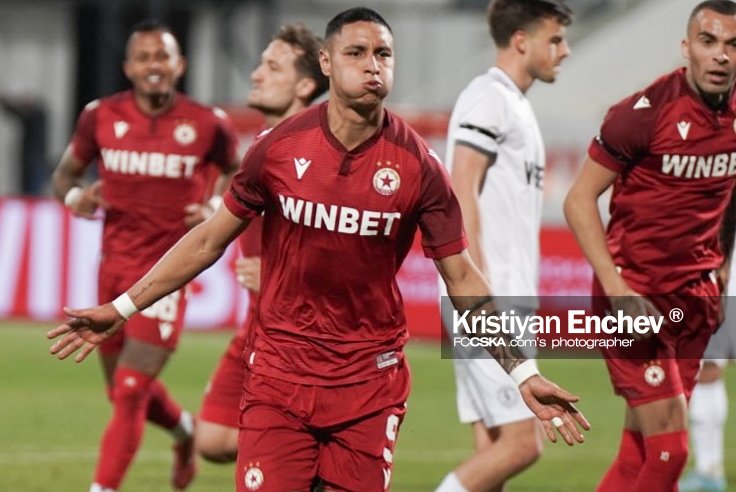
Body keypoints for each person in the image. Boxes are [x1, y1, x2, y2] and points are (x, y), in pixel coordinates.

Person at [48, 8, 589, 491]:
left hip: (368, 385)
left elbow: (464, 278)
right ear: (326, 63)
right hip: (279, 378)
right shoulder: (277, 149)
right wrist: (123, 308)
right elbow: (210, 239)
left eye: (384, 54)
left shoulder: (419, 167)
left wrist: (523, 373)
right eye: (357, 53)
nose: (373, 65)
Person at [50, 20, 239, 492]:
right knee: (121, 390)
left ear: (180, 65)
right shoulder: (99, 116)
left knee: (131, 390)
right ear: (129, 67)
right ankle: (185, 432)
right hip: (112, 268)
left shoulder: (208, 123)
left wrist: (215, 206)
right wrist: (75, 199)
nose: (154, 65)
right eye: (144, 57)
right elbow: (64, 175)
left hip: (166, 275)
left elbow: (238, 173)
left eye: (163, 56)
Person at [564, 1, 736, 491]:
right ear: (686, 48)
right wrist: (616, 288)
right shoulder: (642, 114)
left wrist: (722, 264)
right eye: (708, 41)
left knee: (638, 454)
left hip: (695, 296)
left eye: (733, 45)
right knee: (670, 450)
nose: (721, 55)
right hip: (635, 295)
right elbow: (579, 200)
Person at [436, 1, 573, 491]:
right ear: (521, 40)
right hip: (489, 299)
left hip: (495, 298)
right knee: (522, 443)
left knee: (493, 449)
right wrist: (481, 293)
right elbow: (462, 188)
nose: (564, 50)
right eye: (554, 39)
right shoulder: (489, 97)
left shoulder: (514, 104)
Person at [195, 22, 329, 464]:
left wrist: (281, 274)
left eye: (273, 67)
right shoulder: (262, 145)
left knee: (508, 442)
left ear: (305, 85)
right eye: (261, 64)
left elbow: (341, 245)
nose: (256, 74)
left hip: (302, 335)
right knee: (213, 440)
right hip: (258, 322)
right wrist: (214, 214)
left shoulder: (317, 150)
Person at [679, 260, 736, 492]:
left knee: (706, 370)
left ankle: (708, 469)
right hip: (720, 278)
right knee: (707, 370)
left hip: (721, 281)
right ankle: (709, 468)